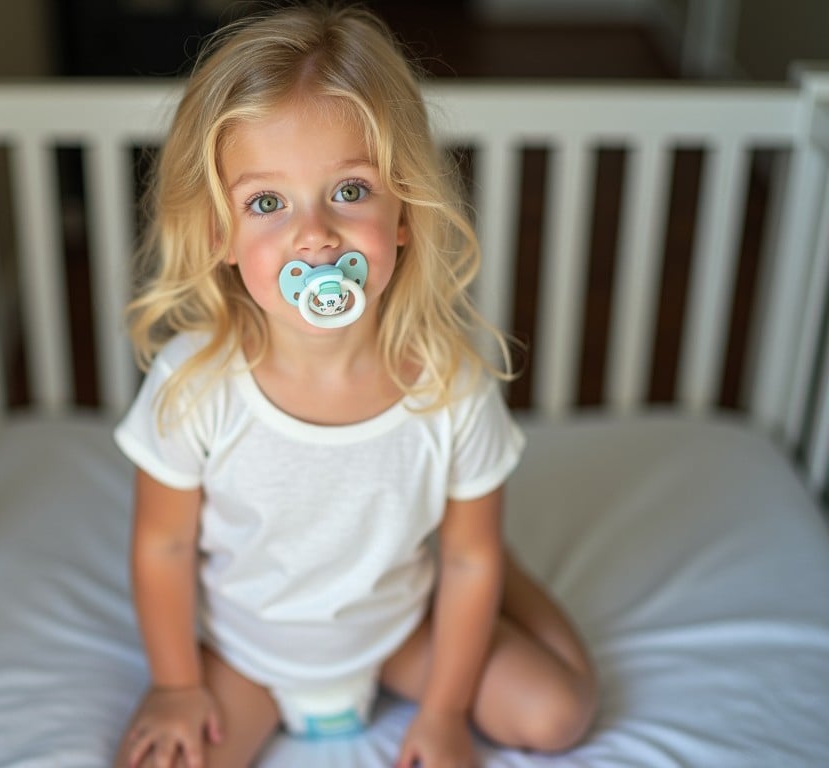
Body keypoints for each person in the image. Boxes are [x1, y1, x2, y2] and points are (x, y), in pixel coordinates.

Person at [112, 4, 596, 767]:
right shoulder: (194, 384)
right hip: (246, 657)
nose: (315, 235)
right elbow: (162, 543)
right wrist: (176, 685)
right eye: (267, 203)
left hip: (401, 637)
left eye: (349, 190)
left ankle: (518, 584)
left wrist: (442, 713)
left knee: (560, 713)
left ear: (403, 210)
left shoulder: (452, 385)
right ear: (220, 234)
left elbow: (466, 560)